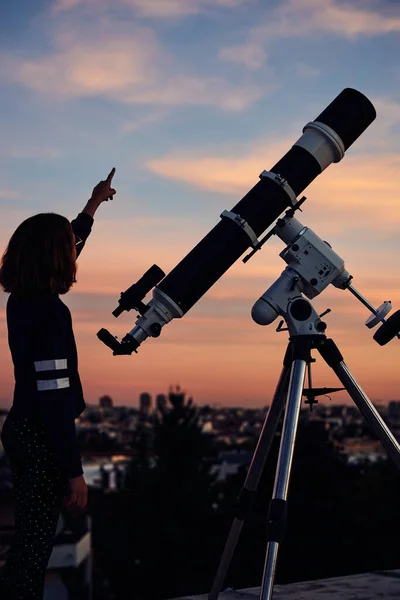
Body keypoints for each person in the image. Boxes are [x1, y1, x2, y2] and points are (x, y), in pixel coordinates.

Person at [0, 168, 117, 599]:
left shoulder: (24, 300)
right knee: (33, 548)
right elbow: (54, 402)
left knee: (29, 545)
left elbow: (68, 242)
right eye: (68, 248)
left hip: (24, 429)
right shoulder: (49, 313)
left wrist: (91, 206)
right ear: (56, 258)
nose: (75, 252)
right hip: (39, 435)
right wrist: (74, 474)